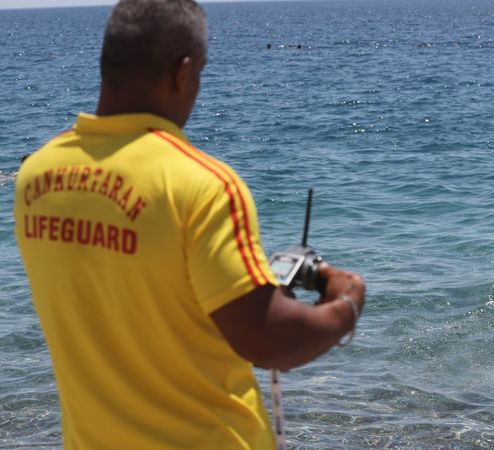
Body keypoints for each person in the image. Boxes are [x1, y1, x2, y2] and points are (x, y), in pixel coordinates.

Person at [13, 1, 365, 449]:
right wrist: (347, 300)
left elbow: (137, 294)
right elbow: (271, 341)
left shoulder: (36, 177)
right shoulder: (204, 184)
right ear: (182, 73)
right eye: (200, 73)